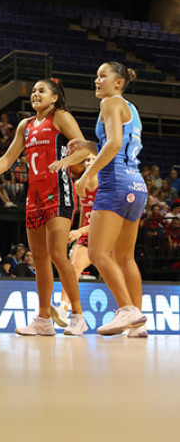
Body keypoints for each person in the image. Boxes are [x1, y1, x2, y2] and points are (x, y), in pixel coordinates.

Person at [0, 79, 88, 336]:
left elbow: (83, 148)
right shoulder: (25, 126)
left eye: (42, 91)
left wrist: (65, 162)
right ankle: (43, 320)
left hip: (59, 192)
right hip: (34, 196)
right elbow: (9, 157)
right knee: (40, 260)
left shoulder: (61, 117)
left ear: (54, 98)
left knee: (59, 255)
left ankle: (78, 315)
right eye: (34, 91)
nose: (36, 94)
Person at [70, 62, 148, 336]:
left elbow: (114, 144)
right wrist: (88, 146)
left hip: (114, 184)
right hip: (137, 185)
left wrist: (88, 174)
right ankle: (136, 325)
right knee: (125, 257)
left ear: (118, 83)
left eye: (103, 75)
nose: (96, 79)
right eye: (96, 74)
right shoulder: (131, 108)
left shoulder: (110, 104)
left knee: (97, 253)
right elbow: (120, 144)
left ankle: (126, 309)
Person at [61, 155, 98, 314]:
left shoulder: (106, 186)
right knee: (72, 268)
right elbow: (84, 211)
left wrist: (79, 231)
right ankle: (63, 308)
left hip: (105, 234)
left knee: (113, 275)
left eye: (93, 159)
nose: (89, 163)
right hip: (86, 233)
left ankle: (129, 311)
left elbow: (102, 222)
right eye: (86, 160)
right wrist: (79, 230)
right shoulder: (79, 185)